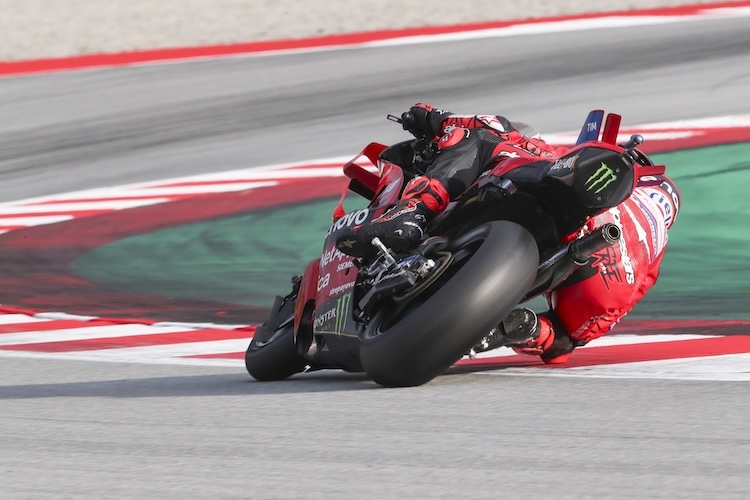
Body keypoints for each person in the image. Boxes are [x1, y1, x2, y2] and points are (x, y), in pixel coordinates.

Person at [335, 103, 681, 364]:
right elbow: (570, 341)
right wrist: (538, 332)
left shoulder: (554, 156)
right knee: (567, 333)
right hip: (602, 275)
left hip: (554, 218)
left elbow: (485, 127)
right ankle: (523, 326)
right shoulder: (650, 260)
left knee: (484, 132)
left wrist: (432, 117)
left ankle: (413, 213)